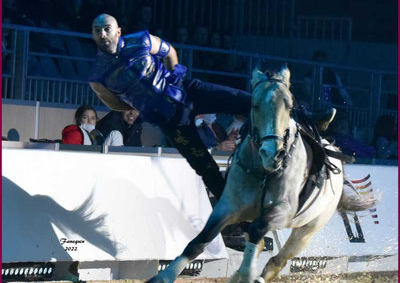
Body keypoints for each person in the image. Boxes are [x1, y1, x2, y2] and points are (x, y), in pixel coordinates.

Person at [88, 14, 335, 199]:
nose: (102, 34)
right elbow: (113, 102)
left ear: (118, 31)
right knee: (205, 168)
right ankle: (236, 221)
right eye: (97, 30)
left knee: (249, 100)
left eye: (106, 28)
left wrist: (175, 73)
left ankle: (309, 118)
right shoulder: (98, 75)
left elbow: (169, 50)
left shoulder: (140, 39)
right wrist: (142, 104)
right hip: (171, 119)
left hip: (189, 92)